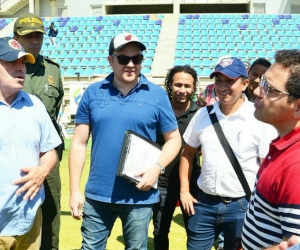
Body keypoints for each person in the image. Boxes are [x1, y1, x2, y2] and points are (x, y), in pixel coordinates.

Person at [69, 32, 181, 250]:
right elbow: (79, 143)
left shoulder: (156, 95)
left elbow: (174, 139)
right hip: (97, 195)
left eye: (137, 59)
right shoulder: (93, 93)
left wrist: (157, 168)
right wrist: (74, 191)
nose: (131, 64)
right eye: (123, 58)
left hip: (140, 196)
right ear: (111, 60)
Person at [179, 57, 277, 250]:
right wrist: (184, 191)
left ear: (245, 83)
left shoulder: (259, 118)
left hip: (242, 206)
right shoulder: (202, 115)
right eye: (218, 81)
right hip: (204, 203)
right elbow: (187, 154)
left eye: (230, 80)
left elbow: (267, 168)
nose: (223, 86)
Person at [0, 37, 61, 249]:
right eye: (11, 62)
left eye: (23, 63)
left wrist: (43, 170)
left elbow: (50, 150)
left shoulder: (34, 105)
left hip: (29, 222)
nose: (20, 68)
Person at [13, 13, 64, 250]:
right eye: (29, 36)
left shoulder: (53, 70)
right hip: (15, 155)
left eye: (39, 36)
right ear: (16, 39)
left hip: (48, 154)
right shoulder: (6, 69)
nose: (35, 40)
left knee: (51, 212)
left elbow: (56, 108)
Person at [242, 50, 300, 249]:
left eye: (270, 89)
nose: (258, 92)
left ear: (298, 107)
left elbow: (294, 245)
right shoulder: (283, 144)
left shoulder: (296, 166)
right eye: (261, 83)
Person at [153, 65, 201, 250]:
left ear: (194, 88)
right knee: (160, 232)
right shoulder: (159, 110)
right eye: (178, 84)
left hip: (192, 184)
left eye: (187, 86)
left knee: (194, 232)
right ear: (170, 85)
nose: (182, 90)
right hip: (162, 182)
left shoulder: (200, 114)